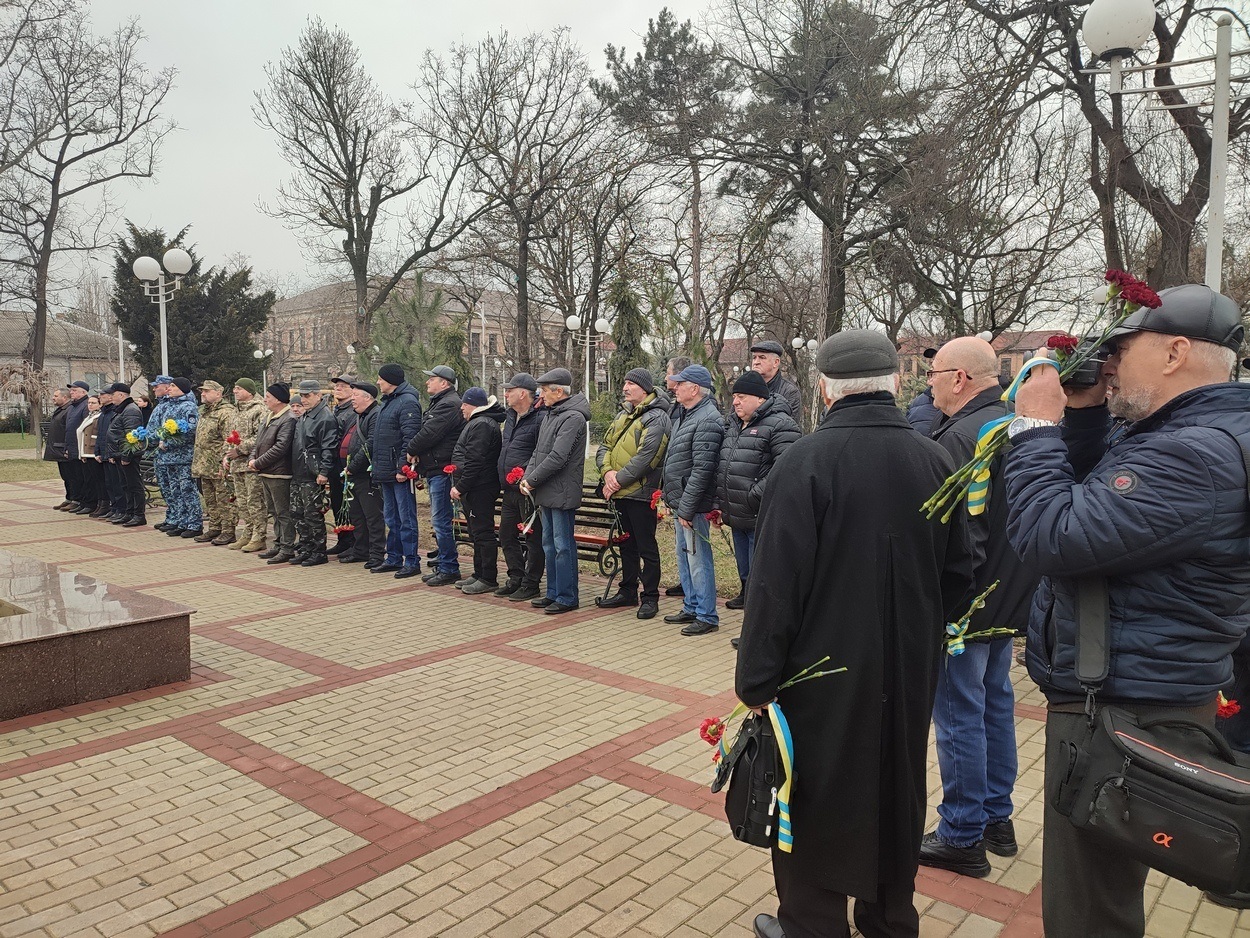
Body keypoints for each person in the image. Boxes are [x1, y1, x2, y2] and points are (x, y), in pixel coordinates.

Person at [1002, 283, 1250, 938]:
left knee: (1088, 910)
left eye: (1121, 350)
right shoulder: (1189, 433)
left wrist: (1032, 428)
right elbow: (1096, 495)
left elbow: (1052, 537)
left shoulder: (1192, 455)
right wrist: (1083, 412)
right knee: (1099, 892)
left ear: (1173, 352)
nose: (1109, 365)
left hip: (1121, 711)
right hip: (1139, 689)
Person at [739, 330, 973, 938]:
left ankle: (812, 924)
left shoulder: (804, 462)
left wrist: (756, 679)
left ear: (823, 389)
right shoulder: (935, 458)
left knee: (814, 790)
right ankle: (891, 919)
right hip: (908, 665)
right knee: (897, 782)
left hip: (820, 671)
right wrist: (918, 633)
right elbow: (962, 572)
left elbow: (774, 585)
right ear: (898, 383)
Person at [918, 337, 1040, 879]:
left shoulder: (965, 437)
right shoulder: (1017, 425)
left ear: (961, 378)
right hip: (1007, 595)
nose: (929, 382)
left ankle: (961, 832)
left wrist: (947, 604)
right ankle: (996, 818)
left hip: (968, 603)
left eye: (936, 373)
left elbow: (960, 532)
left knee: (959, 714)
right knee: (993, 705)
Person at [716, 369, 800, 621]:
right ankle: (749, 605)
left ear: (760, 399)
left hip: (760, 512)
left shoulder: (781, 424)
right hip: (736, 512)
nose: (735, 401)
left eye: (741, 396)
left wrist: (754, 494)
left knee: (762, 575)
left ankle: (759, 624)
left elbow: (786, 468)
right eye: (734, 397)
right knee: (746, 570)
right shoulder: (734, 424)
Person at [595, 367, 671, 620]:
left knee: (646, 546)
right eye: (625, 382)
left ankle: (650, 597)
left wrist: (617, 481)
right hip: (619, 493)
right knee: (626, 543)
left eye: (631, 384)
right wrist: (607, 473)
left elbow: (648, 457)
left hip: (640, 493)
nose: (625, 387)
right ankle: (627, 590)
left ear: (645, 388)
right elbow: (604, 447)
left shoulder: (657, 417)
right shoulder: (622, 415)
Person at [520, 368, 591, 614]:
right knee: (548, 544)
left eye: (544, 390)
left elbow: (558, 457)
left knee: (563, 545)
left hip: (561, 490)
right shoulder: (551, 414)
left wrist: (533, 480)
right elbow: (537, 452)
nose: (540, 394)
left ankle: (568, 596)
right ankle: (553, 592)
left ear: (559, 391)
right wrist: (528, 476)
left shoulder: (573, 417)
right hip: (547, 489)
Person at [661, 364, 724, 636]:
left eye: (680, 384)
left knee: (698, 559)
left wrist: (687, 508)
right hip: (681, 501)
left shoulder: (707, 419)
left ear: (694, 389)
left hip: (693, 504)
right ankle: (691, 605)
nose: (675, 388)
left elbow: (702, 469)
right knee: (684, 556)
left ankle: (706, 614)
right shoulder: (685, 415)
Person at [408, 365, 465, 586]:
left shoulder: (449, 404)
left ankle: (449, 567)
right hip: (436, 468)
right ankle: (444, 562)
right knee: (439, 520)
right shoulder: (441, 402)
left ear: (444, 383)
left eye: (432, 379)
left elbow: (429, 433)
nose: (427, 382)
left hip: (443, 470)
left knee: (441, 521)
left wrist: (411, 450)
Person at [449, 387, 505, 594]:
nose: (461, 407)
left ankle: (488, 577)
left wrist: (460, 486)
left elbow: (475, 460)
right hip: (475, 486)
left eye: (465, 403)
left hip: (480, 487)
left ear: (475, 405)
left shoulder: (481, 424)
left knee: (483, 533)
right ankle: (478, 573)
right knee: (475, 532)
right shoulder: (477, 422)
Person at [496, 373, 546, 601]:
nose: (505, 394)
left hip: (528, 490)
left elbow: (540, 453)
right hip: (509, 489)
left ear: (523, 393)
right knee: (506, 534)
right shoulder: (510, 416)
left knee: (533, 539)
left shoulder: (540, 418)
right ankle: (515, 576)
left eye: (510, 390)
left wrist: (526, 476)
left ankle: (531, 582)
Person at [370, 364, 423, 577]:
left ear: (391, 380)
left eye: (381, 378)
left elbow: (410, 438)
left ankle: (411, 561)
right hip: (385, 471)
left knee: (406, 519)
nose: (378, 382)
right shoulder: (388, 402)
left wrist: (403, 467)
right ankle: (393, 557)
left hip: (399, 473)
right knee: (391, 518)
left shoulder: (408, 402)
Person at [289, 380, 338, 567]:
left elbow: (328, 446)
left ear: (318, 395)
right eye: (302, 395)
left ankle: (319, 551)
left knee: (312, 514)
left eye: (307, 395)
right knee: (297, 513)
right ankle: (306, 547)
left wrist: (323, 471)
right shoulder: (306, 416)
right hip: (299, 471)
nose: (304, 399)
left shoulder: (324, 417)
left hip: (312, 472)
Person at [339, 381, 385, 568]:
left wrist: (353, 466)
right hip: (353, 474)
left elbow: (371, 444)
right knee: (357, 515)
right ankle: (361, 550)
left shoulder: (375, 414)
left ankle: (376, 553)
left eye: (355, 395)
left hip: (366, 475)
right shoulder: (360, 415)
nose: (352, 399)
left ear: (367, 397)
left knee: (372, 516)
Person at [250, 384, 296, 564]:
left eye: (268, 396)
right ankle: (278, 544)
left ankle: (287, 547)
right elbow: (258, 442)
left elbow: (281, 447)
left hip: (279, 473)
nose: (264, 399)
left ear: (277, 399)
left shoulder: (288, 418)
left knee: (283, 512)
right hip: (265, 472)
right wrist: (253, 458)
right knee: (274, 511)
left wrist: (258, 462)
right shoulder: (268, 416)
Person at [661, 356, 694, 599]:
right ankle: (687, 588)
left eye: (669, 373)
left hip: (687, 489)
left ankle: (697, 599)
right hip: (675, 488)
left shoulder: (699, 412)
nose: (665, 377)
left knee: (694, 550)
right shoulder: (675, 407)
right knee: (680, 545)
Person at [223, 378, 268, 552]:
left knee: (254, 501)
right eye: (234, 388)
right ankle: (247, 533)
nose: (235, 391)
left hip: (251, 463)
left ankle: (259, 536)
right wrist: (227, 455)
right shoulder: (237, 411)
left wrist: (240, 450)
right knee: (242, 502)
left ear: (249, 391)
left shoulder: (259, 409)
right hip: (237, 464)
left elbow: (260, 436)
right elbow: (231, 435)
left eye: (239, 388)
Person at [190, 380, 237, 544]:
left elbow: (228, 439)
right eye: (202, 391)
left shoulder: (226, 412)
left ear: (218, 393)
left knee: (223, 500)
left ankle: (228, 531)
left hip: (217, 465)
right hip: (204, 464)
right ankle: (215, 528)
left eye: (207, 391)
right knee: (210, 500)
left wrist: (223, 463)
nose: (202, 394)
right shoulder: (204, 411)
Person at [155, 377, 201, 537]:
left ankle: (195, 523)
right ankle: (181, 521)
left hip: (183, 456)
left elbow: (190, 431)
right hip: (168, 457)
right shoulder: (169, 406)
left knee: (187, 490)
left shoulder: (188, 407)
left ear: (182, 388)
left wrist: (169, 442)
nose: (169, 388)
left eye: (173, 386)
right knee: (175, 491)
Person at [104, 383, 147, 527]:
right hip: (118, 454)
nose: (111, 397)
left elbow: (131, 436)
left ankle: (139, 515)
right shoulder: (121, 409)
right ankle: (129, 513)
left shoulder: (131, 410)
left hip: (127, 456)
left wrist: (126, 457)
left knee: (134, 485)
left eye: (113, 394)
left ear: (121, 395)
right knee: (125, 485)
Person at [327, 375, 357, 557]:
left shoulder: (352, 411)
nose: (338, 389)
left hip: (344, 464)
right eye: (336, 386)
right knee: (337, 503)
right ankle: (342, 539)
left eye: (343, 386)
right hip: (333, 464)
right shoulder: (336, 410)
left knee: (349, 505)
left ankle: (352, 541)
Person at [95, 387, 128, 521]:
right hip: (105, 452)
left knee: (117, 483)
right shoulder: (103, 413)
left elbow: (115, 435)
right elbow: (100, 434)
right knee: (109, 483)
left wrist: (111, 453)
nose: (100, 397)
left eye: (103, 394)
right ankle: (114, 507)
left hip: (113, 453)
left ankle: (120, 509)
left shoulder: (113, 412)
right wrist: (98, 451)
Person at [750, 340, 804, 421]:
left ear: (776, 362)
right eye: (754, 357)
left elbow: (789, 428)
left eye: (762, 357)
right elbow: (732, 423)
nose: (756, 362)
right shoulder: (745, 388)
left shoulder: (789, 392)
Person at [146, 376, 174, 526]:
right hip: (159, 453)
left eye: (157, 386)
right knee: (165, 488)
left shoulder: (171, 404)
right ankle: (171, 517)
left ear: (167, 387)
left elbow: (166, 430)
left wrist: (152, 438)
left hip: (170, 453)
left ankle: (178, 519)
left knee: (174, 489)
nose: (154, 389)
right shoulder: (161, 405)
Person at [75, 393, 107, 515]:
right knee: (89, 480)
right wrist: (81, 453)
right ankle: (93, 503)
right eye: (89, 403)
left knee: (98, 481)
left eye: (93, 403)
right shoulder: (89, 416)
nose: (90, 405)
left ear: (100, 404)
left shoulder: (99, 416)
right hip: (85, 453)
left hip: (94, 452)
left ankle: (101, 504)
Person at [62, 381, 90, 512]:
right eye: (71, 391)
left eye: (74, 390)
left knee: (82, 477)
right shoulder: (73, 406)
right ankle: (76, 499)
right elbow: (69, 429)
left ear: (83, 392)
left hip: (81, 448)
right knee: (74, 476)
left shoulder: (85, 406)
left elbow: (86, 428)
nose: (71, 393)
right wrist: (67, 448)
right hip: (72, 447)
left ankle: (83, 501)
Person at [44, 388, 73, 509]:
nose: (53, 398)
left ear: (65, 398)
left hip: (63, 449)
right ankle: (69, 497)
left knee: (71, 476)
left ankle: (75, 499)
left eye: (56, 396)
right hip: (58, 448)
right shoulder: (61, 410)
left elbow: (69, 430)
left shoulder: (68, 410)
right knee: (65, 476)